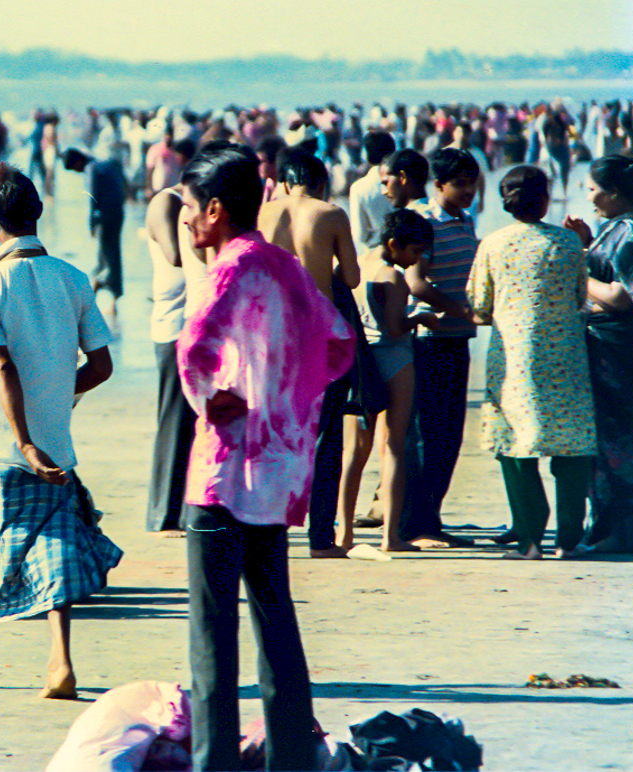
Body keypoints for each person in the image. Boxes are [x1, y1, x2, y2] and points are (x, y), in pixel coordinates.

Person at [176, 143, 354, 772]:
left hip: (223, 476)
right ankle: (291, 762)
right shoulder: (285, 267)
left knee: (212, 642)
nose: (189, 222)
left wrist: (216, 398)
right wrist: (288, 404)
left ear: (217, 211)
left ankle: (215, 764)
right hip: (276, 477)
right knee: (276, 625)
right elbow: (338, 344)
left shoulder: (227, 267)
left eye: (192, 209)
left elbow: (193, 346)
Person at [0, 164, 120, 700]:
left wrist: (22, 440)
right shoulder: (73, 279)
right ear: (37, 212)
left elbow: (1, 367)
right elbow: (101, 366)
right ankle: (60, 663)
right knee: (53, 545)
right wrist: (54, 399)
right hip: (54, 441)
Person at [468, 166, 595, 560]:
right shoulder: (569, 244)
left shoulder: (493, 243)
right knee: (572, 447)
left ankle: (530, 539)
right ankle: (569, 539)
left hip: (513, 360)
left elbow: (479, 308)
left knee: (515, 446)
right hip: (566, 358)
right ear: (544, 199)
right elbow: (579, 297)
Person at [258, 148, 360, 558]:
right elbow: (351, 277)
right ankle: (321, 538)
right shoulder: (330, 213)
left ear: (284, 182)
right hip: (317, 335)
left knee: (276, 434)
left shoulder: (264, 212)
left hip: (270, 335)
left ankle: (271, 531)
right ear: (320, 182)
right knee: (326, 437)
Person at [338, 210, 440, 553]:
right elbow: (395, 328)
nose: (417, 260)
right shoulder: (392, 277)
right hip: (394, 359)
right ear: (395, 245)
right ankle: (389, 537)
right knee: (394, 446)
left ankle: (344, 533)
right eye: (414, 252)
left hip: (360, 362)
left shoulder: (359, 264)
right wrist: (421, 317)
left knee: (353, 451)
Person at [564, 155, 633, 554]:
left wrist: (579, 261)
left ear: (614, 193)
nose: (590, 197)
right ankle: (612, 529)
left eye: (594, 190)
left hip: (619, 354)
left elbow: (620, 297)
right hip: (612, 350)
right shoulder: (620, 227)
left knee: (616, 443)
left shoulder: (632, 231)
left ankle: (620, 532)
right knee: (612, 441)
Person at [400, 148, 481, 548]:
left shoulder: (465, 222)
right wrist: (461, 310)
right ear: (439, 185)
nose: (469, 191)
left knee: (449, 435)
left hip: (457, 338)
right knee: (427, 433)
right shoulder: (426, 221)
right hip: (429, 339)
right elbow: (416, 283)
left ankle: (430, 517)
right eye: (460, 183)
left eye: (473, 182)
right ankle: (417, 525)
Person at [143, 182, 205, 534]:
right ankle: (163, 513)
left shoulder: (184, 206)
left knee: (191, 424)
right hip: (172, 326)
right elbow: (175, 255)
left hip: (189, 325)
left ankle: (180, 510)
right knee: (174, 422)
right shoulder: (167, 202)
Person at [63, 148, 128, 310]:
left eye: (75, 169)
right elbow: (124, 185)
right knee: (111, 253)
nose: (77, 172)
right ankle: (101, 290)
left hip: (105, 217)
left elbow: (93, 198)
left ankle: (104, 291)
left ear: (78, 162)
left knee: (107, 255)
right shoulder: (106, 163)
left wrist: (91, 223)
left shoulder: (91, 169)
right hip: (118, 213)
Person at [348, 130, 397, 254]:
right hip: (409, 249)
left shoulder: (359, 187)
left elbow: (359, 235)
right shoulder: (403, 178)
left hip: (377, 251)